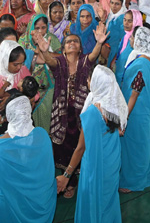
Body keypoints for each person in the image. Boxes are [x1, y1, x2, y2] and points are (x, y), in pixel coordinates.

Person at [34, 25, 107, 199]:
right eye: (68, 42)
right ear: (63, 48)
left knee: (81, 145)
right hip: (62, 115)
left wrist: (99, 43)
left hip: (82, 114)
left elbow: (95, 55)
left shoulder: (84, 61)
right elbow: (50, 62)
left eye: (75, 41)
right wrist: (45, 52)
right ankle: (69, 181)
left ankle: (75, 179)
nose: (72, 43)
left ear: (80, 48)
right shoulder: (59, 62)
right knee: (63, 147)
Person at [56, 65, 126, 223]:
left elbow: (81, 148)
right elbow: (119, 131)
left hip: (97, 164)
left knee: (94, 200)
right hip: (112, 160)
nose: (87, 81)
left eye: (89, 79)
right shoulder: (114, 103)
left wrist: (67, 175)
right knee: (107, 199)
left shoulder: (93, 113)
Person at [0, 95, 57, 223]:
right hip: (39, 199)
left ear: (8, 116)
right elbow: (46, 168)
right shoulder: (42, 135)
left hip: (6, 202)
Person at [119, 27, 150, 193]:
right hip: (141, 111)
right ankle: (145, 177)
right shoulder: (147, 61)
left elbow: (134, 94)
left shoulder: (141, 65)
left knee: (135, 148)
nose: (130, 40)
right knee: (141, 147)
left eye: (133, 37)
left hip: (135, 113)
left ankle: (133, 182)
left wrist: (124, 117)